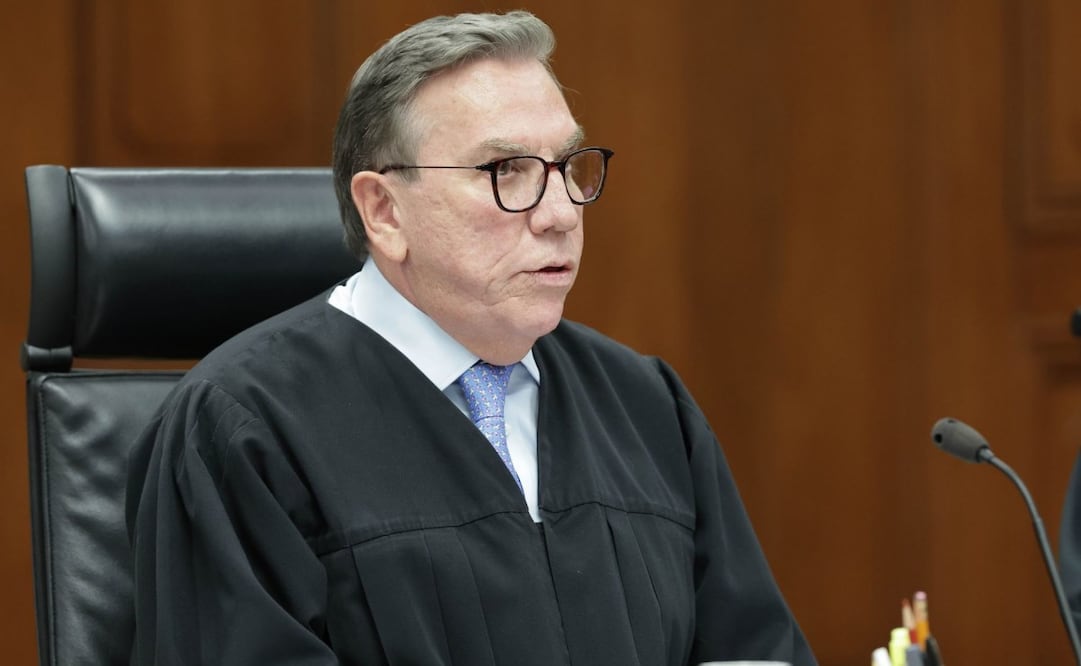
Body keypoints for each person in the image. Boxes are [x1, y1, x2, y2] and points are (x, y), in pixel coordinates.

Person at [126, 10, 816, 666]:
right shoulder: (244, 427)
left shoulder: (644, 407)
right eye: (505, 171)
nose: (558, 213)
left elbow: (751, 645)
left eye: (567, 166)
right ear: (384, 209)